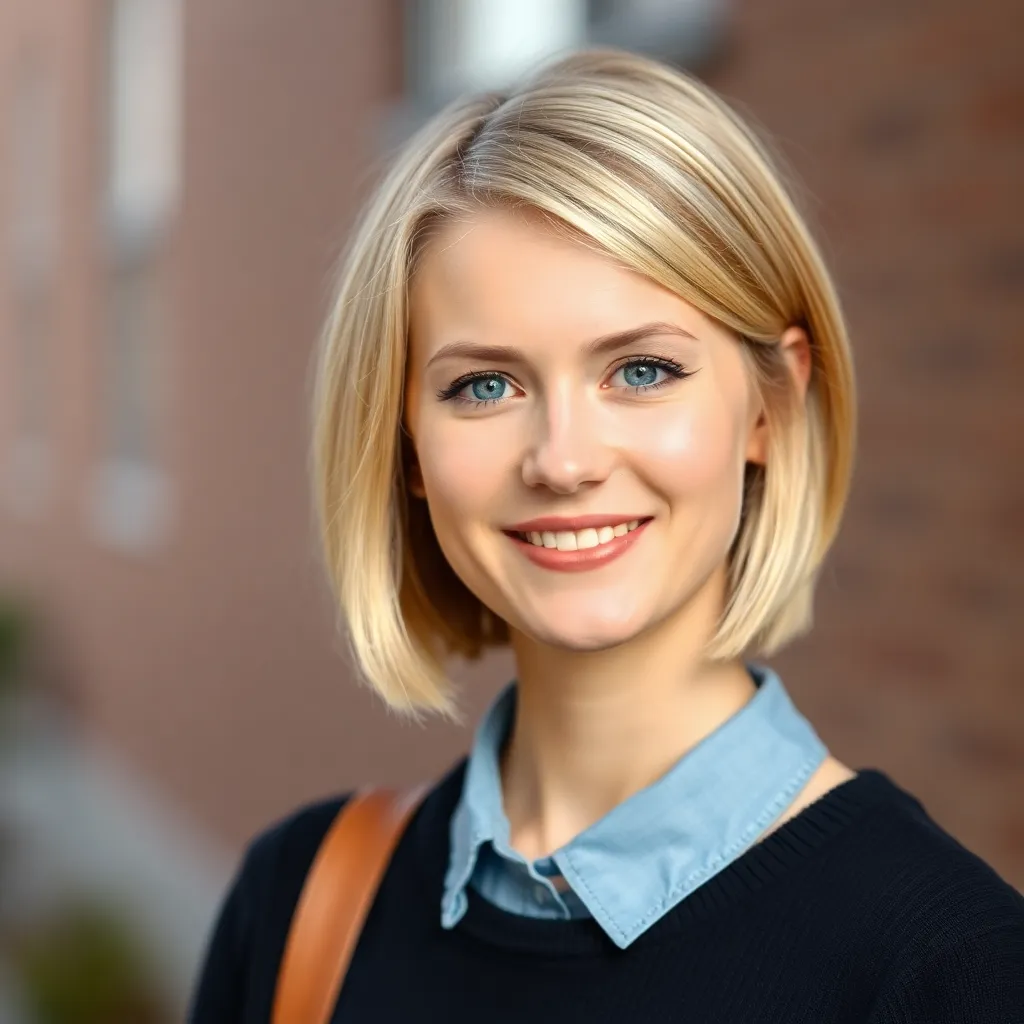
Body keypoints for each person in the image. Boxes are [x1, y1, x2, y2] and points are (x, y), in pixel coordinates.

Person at [189, 48, 1024, 1022]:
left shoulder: (956, 971)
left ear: (772, 405)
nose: (563, 460)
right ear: (405, 445)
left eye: (641, 371)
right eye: (484, 386)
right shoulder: (295, 906)